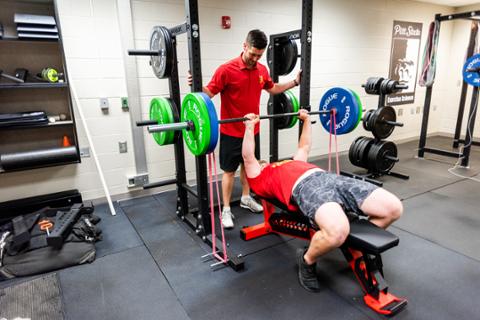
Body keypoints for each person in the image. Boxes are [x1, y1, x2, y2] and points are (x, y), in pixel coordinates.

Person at [241, 111, 403, 292]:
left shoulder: (292, 162)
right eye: (261, 162)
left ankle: (355, 245)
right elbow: (248, 157)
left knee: (393, 208)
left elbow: (305, 146)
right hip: (305, 188)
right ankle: (307, 259)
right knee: (337, 232)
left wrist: (307, 120)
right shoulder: (259, 177)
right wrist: (249, 127)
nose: (264, 163)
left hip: (328, 177)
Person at [188, 29, 302, 229]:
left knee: (249, 167)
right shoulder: (226, 69)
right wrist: (196, 85)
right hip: (231, 131)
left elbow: (272, 88)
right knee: (229, 171)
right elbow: (209, 93)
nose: (255, 59)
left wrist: (294, 82)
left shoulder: (261, 70)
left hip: (252, 131)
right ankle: (225, 209)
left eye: (259, 55)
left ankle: (246, 198)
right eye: (252, 54)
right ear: (244, 46)